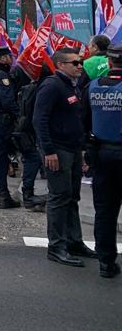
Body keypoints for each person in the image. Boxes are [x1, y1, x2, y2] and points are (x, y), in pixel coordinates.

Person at [34, 48, 92, 267]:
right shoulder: (52, 86)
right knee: (59, 198)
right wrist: (48, 150)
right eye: (75, 63)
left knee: (72, 197)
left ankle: (74, 241)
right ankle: (56, 247)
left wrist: (83, 150)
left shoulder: (71, 86)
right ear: (61, 65)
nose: (80, 66)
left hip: (73, 149)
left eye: (80, 62)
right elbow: (39, 120)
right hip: (58, 150)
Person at [0, 47, 42, 210]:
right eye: (9, 57)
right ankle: (28, 194)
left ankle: (4, 195)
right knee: (33, 156)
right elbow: (8, 102)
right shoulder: (3, 77)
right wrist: (20, 117)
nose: (12, 59)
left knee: (0, 158)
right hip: (8, 123)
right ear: (3, 59)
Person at [84, 44, 122, 278]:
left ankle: (106, 262)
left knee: (105, 211)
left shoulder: (91, 87)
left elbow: (83, 122)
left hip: (102, 155)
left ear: (109, 63)